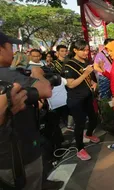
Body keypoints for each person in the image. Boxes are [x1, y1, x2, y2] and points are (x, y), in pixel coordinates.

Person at [0, 32, 52, 189]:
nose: (14, 52)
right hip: (19, 157)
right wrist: (37, 74)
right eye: (11, 47)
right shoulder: (8, 75)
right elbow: (46, 89)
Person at [63, 40, 99, 161]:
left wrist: (93, 83)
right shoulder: (69, 65)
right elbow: (71, 84)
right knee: (80, 123)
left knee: (94, 118)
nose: (86, 52)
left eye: (87, 50)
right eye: (83, 50)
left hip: (87, 96)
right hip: (76, 99)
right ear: (75, 50)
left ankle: (89, 134)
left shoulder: (86, 62)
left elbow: (89, 79)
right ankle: (80, 149)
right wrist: (85, 74)